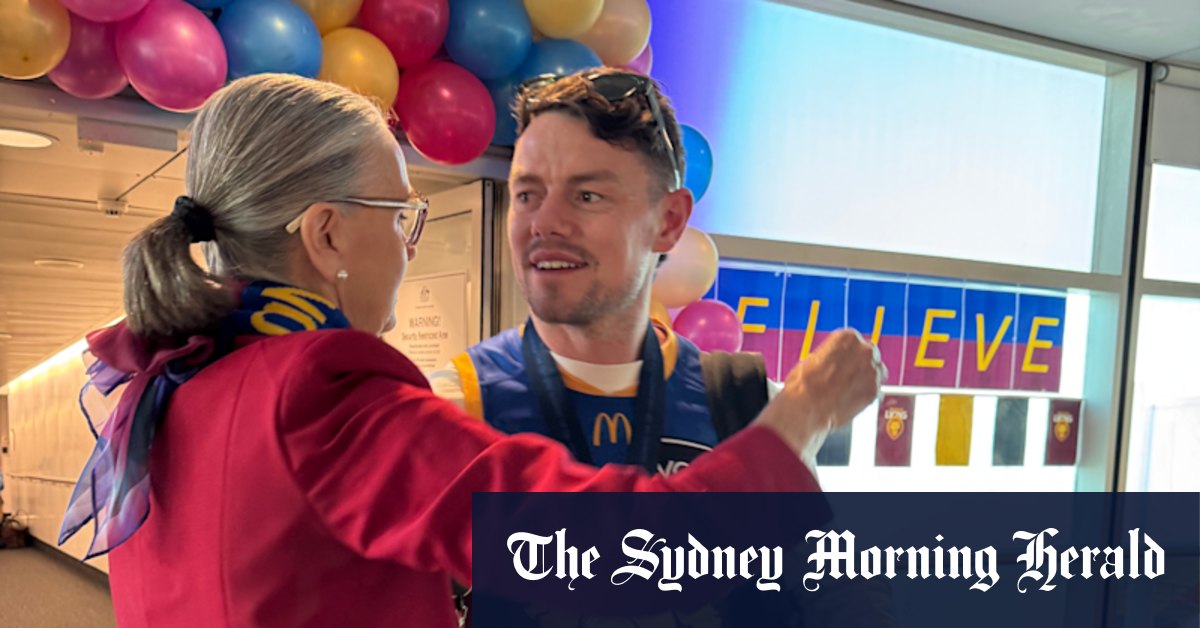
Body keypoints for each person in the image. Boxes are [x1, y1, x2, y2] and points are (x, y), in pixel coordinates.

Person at [55, 74, 884, 628]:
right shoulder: (319, 387)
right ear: (329, 232)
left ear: (666, 221)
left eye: (589, 194)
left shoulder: (173, 385)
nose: (410, 246)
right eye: (400, 215)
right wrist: (803, 415)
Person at [429, 68, 895, 626]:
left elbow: (838, 603)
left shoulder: (746, 402)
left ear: (669, 221)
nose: (544, 223)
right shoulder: (455, 409)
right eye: (527, 193)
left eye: (587, 195)